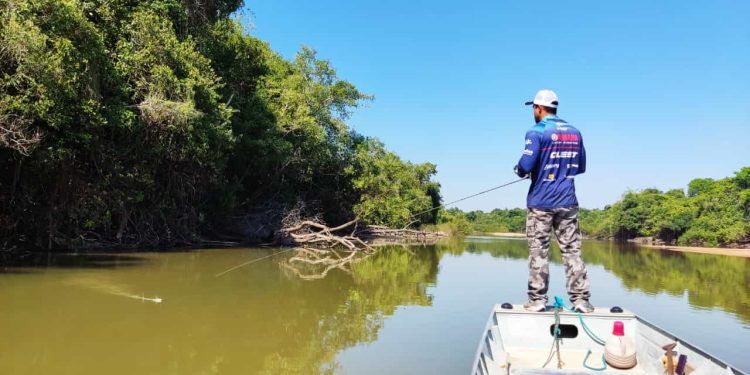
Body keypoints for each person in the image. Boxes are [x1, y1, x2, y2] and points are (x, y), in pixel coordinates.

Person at [514, 89, 593, 313]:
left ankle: (538, 301)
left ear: (538, 108)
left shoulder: (536, 132)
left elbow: (525, 166)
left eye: (534, 108)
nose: (533, 111)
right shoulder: (575, 132)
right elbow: (581, 167)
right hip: (568, 200)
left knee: (539, 251)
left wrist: (520, 170)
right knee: (572, 251)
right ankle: (580, 301)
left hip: (540, 202)